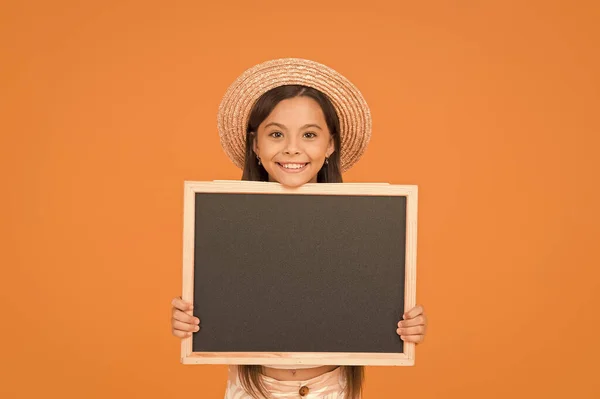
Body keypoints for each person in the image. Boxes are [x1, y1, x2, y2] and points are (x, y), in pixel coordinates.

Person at [171, 58, 428, 398]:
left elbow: (371, 303)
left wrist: (405, 325)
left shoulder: (362, 228)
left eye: (309, 134)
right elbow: (222, 302)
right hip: (251, 390)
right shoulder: (227, 224)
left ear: (330, 144)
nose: (292, 148)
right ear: (255, 145)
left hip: (331, 390)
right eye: (276, 134)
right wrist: (189, 320)